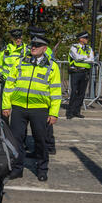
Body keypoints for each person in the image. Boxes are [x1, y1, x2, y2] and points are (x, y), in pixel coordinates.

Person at [2, 35, 62, 182]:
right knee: (16, 140)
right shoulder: (21, 62)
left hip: (40, 109)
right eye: (32, 44)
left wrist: (54, 113)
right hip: (19, 108)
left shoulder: (52, 66)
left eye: (37, 45)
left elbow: (56, 92)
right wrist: (6, 105)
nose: (33, 47)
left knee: (40, 140)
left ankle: (42, 169)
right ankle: (17, 169)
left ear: (45, 48)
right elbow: (9, 84)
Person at [26, 27, 56, 155]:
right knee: (40, 126)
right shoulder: (40, 48)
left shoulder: (46, 50)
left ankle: (48, 146)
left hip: (43, 92)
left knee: (44, 126)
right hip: (33, 92)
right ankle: (44, 147)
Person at [0, 29, 28, 118]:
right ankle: (4, 129)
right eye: (15, 38)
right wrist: (3, 75)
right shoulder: (5, 50)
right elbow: (0, 65)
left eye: (19, 37)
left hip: (21, 83)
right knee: (4, 109)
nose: (18, 40)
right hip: (7, 82)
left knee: (19, 110)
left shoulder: (27, 50)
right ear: (11, 38)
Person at [66, 31, 94, 119]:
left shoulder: (89, 48)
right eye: (86, 38)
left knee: (82, 93)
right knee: (74, 92)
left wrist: (83, 58)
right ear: (81, 39)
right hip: (76, 72)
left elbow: (92, 59)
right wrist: (86, 57)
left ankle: (77, 111)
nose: (87, 40)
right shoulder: (74, 47)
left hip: (85, 72)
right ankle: (70, 112)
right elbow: (76, 58)